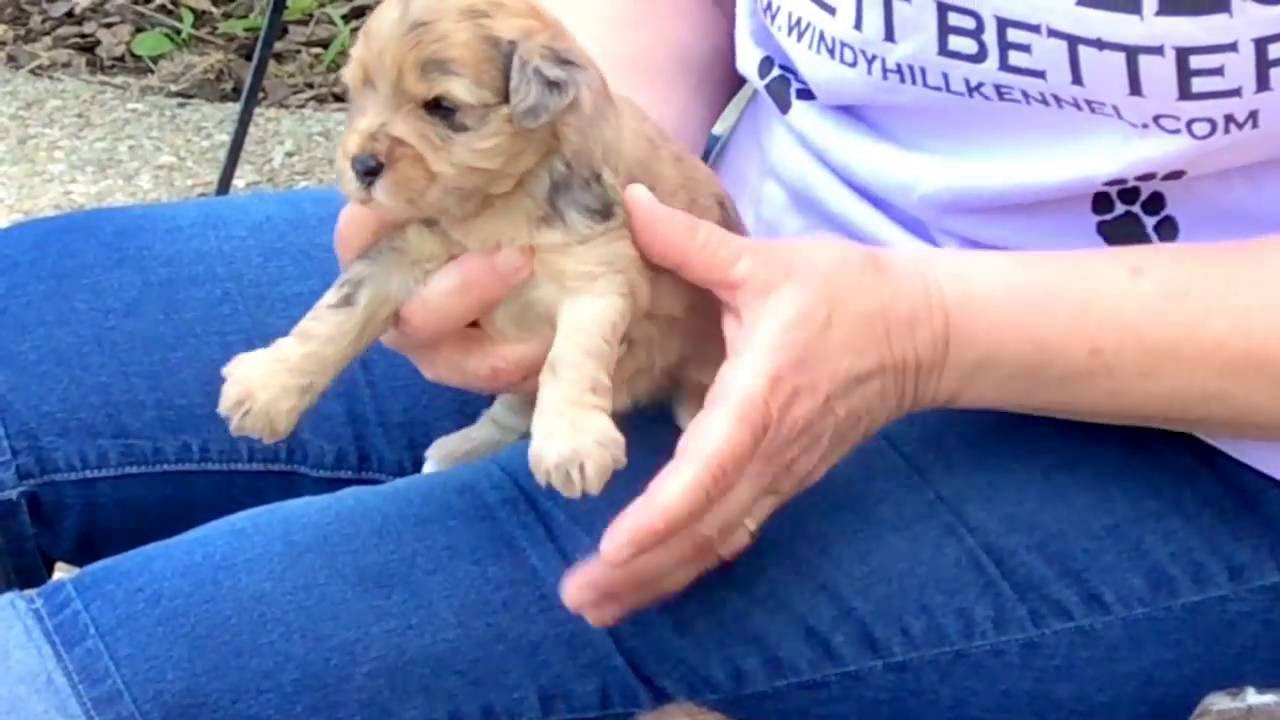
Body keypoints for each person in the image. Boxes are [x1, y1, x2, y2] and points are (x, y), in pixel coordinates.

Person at [3, 0, 1279, 717]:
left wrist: (922, 331)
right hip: (718, 242)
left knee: (106, 686)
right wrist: (586, 170)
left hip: (1182, 418)